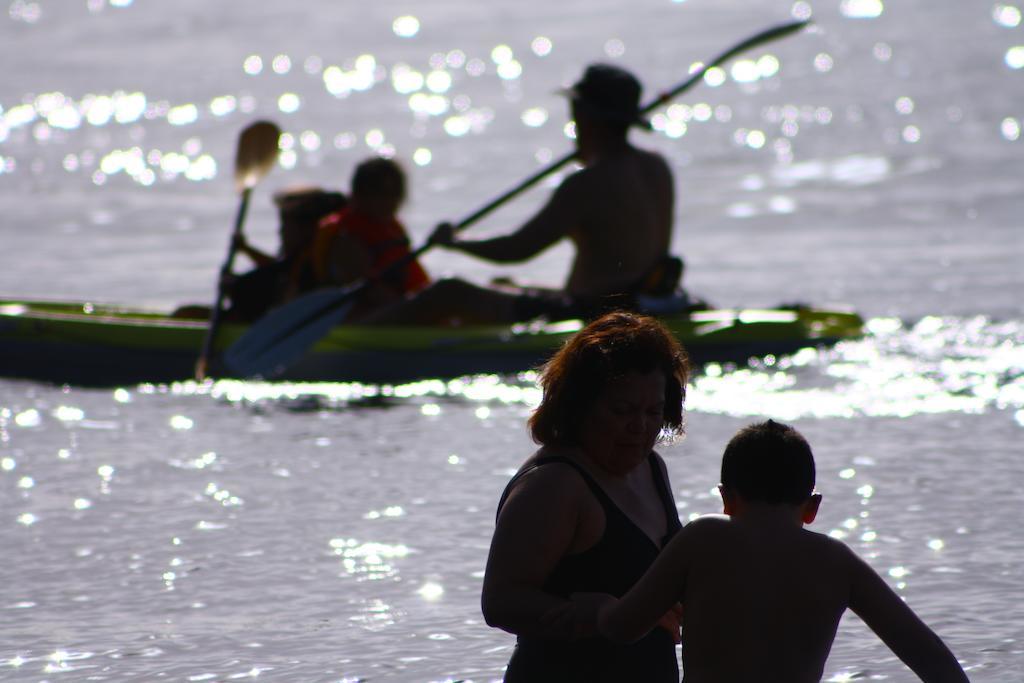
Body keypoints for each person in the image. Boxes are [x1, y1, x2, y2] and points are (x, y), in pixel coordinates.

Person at [578, 420, 970, 682]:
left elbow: (622, 628)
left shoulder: (701, 540)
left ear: (726, 499)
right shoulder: (837, 562)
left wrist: (598, 604)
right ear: (812, 508)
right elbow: (928, 653)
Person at [365, 63, 680, 326]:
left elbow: (518, 249)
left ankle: (353, 337)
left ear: (585, 116)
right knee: (504, 286)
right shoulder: (657, 167)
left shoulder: (586, 183)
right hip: (644, 301)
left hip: (594, 314)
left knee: (450, 292)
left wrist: (455, 242)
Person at [480, 311, 691, 681]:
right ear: (579, 406)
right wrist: (604, 616)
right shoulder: (554, 484)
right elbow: (500, 603)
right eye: (621, 410)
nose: (639, 427)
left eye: (653, 411)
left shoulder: (653, 468)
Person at [312, 157, 430, 320]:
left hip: (398, 313)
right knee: (451, 289)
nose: (391, 202)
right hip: (367, 320)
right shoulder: (346, 238)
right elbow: (370, 292)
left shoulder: (390, 228)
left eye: (396, 194)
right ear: (359, 196)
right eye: (381, 194)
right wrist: (424, 309)